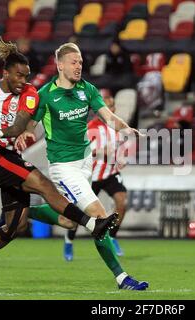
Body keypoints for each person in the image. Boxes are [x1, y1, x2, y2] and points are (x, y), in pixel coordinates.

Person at [0, 38, 117, 288]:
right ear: (5, 72)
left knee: (13, 227)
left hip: (9, 154)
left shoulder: (30, 93)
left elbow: (18, 127)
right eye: (18, 76)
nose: (23, 81)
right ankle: (93, 224)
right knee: (43, 183)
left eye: (26, 76)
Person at [14, 42, 149, 290]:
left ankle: (21, 210)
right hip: (64, 167)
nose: (79, 67)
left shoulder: (87, 89)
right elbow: (32, 126)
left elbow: (108, 116)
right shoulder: (45, 94)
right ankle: (122, 278)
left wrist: (125, 127)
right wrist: (25, 134)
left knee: (69, 222)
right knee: (99, 216)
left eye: (81, 63)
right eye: (74, 62)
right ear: (60, 64)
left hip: (85, 163)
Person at [64, 89, 128, 260]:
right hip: (91, 175)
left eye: (111, 107)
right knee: (79, 214)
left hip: (110, 174)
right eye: (105, 107)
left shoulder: (117, 127)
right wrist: (100, 151)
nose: (109, 111)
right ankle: (69, 240)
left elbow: (122, 150)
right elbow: (80, 150)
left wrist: (122, 157)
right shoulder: (90, 127)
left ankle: (113, 236)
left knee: (122, 201)